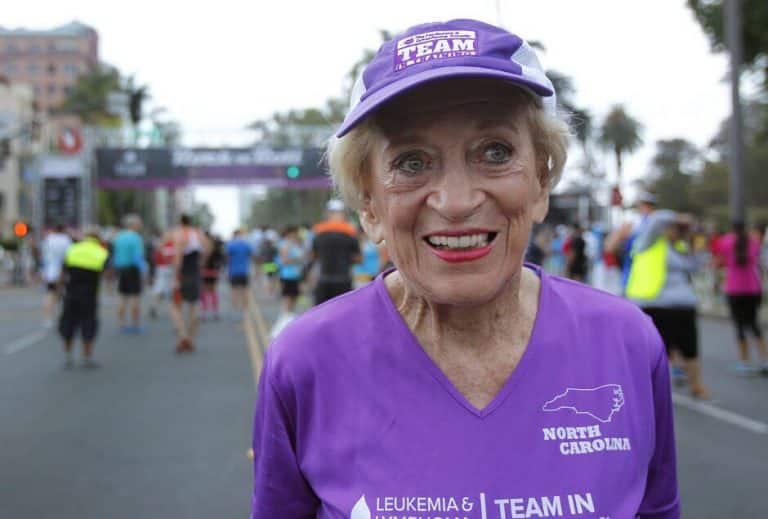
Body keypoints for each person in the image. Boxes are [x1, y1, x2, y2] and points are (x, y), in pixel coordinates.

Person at [251, 19, 679, 518]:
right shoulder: (305, 362)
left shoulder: (626, 343)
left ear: (541, 183)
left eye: (494, 152)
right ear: (368, 204)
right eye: (412, 162)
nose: (456, 202)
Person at [626, 211, 709, 398]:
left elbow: (695, 267)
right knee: (657, 349)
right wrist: (681, 218)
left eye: (678, 229)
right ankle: (650, 389)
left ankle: (696, 385)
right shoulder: (648, 242)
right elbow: (657, 219)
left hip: (684, 306)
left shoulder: (679, 247)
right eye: (673, 227)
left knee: (690, 347)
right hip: (656, 305)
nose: (675, 231)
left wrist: (697, 244)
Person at [713, 221, 767, 374]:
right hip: (753, 287)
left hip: (735, 288)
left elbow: (719, 261)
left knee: (740, 326)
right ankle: (765, 359)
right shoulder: (753, 241)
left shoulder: (726, 241)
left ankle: (744, 361)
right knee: (754, 324)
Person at [57, 228, 109, 368]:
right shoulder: (101, 253)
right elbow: (107, 274)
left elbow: (63, 273)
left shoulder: (73, 249)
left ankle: (68, 356)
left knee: (68, 324)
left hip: (71, 294)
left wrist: (58, 291)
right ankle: (87, 356)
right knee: (89, 324)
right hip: (90, 296)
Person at [169, 214, 209, 353]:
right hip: (195, 273)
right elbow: (207, 250)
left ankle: (183, 335)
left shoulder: (179, 234)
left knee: (175, 306)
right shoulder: (198, 234)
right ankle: (190, 339)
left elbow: (178, 257)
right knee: (194, 306)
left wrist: (175, 277)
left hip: (184, 274)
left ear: (180, 223)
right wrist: (201, 262)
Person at [310, 199, 361, 305]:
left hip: (324, 280)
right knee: (344, 313)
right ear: (343, 214)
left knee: (322, 314)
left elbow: (313, 256)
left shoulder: (318, 234)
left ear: (327, 214)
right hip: (343, 281)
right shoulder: (350, 234)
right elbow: (359, 259)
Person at [112, 214, 146, 333]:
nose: (140, 226)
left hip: (121, 269)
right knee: (135, 297)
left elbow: (115, 255)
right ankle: (135, 324)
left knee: (122, 296)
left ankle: (122, 324)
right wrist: (144, 271)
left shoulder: (119, 237)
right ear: (134, 225)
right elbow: (138, 257)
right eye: (139, 223)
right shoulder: (136, 238)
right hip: (133, 269)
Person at [270, 226, 305, 337]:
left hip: (296, 275)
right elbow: (284, 261)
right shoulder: (285, 245)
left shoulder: (295, 245)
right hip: (287, 276)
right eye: (293, 233)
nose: (294, 235)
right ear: (288, 234)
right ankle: (280, 328)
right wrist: (297, 260)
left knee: (294, 300)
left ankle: (289, 326)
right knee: (287, 301)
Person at [40, 224, 72, 328]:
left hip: (50, 272)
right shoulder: (66, 240)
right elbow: (69, 256)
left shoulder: (48, 239)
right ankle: (64, 317)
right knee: (64, 295)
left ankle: (47, 318)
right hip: (63, 272)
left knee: (50, 294)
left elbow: (44, 256)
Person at [148, 230, 176, 319]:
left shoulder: (161, 245)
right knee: (164, 290)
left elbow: (155, 258)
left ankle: (155, 307)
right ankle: (172, 310)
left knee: (161, 290)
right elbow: (169, 259)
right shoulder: (168, 245)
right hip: (166, 270)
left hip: (162, 269)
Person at [225, 229, 252, 318]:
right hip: (244, 270)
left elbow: (227, 258)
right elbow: (251, 255)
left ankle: (235, 310)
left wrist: (227, 270)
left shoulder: (231, 245)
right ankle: (245, 309)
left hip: (234, 271)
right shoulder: (245, 244)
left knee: (234, 290)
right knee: (244, 290)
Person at [201, 233, 225, 321]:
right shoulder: (215, 249)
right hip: (213, 272)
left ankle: (205, 312)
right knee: (213, 291)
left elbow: (200, 262)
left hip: (205, 272)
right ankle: (215, 312)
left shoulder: (202, 248)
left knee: (204, 292)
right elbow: (220, 261)